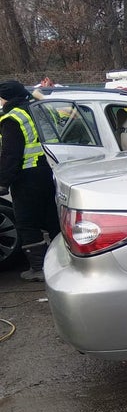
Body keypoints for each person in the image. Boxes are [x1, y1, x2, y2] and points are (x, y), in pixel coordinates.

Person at [0, 80, 60, 281]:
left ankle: (39, 268)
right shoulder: (39, 109)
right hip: (49, 170)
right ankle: (61, 262)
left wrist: (3, 182)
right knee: (52, 220)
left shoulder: (12, 118)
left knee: (27, 223)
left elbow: (11, 154)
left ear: (6, 98)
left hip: (26, 176)